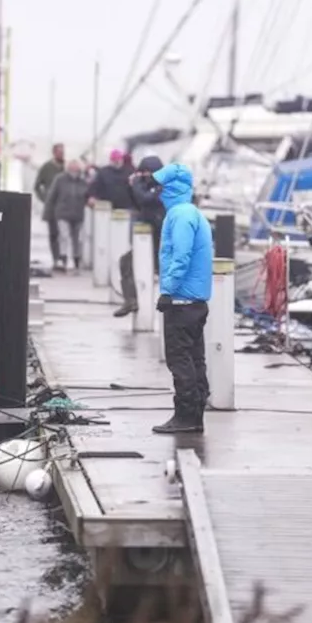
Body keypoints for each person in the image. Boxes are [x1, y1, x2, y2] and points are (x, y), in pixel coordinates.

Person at [143, 162, 213, 434]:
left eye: (161, 185)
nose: (157, 191)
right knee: (195, 358)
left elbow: (180, 257)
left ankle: (186, 415)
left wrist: (167, 291)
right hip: (195, 302)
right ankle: (195, 413)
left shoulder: (180, 216)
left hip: (182, 302)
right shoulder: (191, 212)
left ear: (171, 187)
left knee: (180, 358)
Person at [112, 154, 166, 317]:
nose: (145, 176)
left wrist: (136, 185)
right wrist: (131, 187)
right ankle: (131, 300)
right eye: (142, 172)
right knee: (125, 263)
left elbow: (145, 199)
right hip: (145, 240)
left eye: (148, 173)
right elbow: (136, 202)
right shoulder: (145, 185)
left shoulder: (164, 187)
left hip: (160, 244)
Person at [44, 159, 90, 271]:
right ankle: (63, 259)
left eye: (76, 168)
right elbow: (52, 196)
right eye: (72, 167)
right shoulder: (60, 179)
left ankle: (76, 260)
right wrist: (48, 212)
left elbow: (88, 196)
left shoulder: (83, 181)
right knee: (64, 236)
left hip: (78, 214)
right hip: (62, 213)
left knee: (77, 239)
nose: (74, 170)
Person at [33, 143, 66, 266]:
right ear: (54, 152)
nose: (62, 154)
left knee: (64, 234)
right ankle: (56, 258)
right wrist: (45, 199)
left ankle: (64, 258)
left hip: (65, 206)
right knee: (54, 233)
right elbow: (37, 186)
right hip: (52, 206)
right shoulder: (47, 167)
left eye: (63, 152)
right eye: (59, 152)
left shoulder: (66, 167)